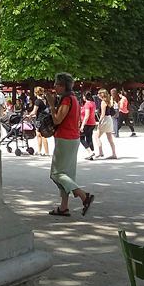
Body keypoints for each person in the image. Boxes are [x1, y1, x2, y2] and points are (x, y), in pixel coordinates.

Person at [45, 73, 94, 217]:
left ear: (63, 86)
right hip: (73, 138)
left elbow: (57, 120)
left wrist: (52, 104)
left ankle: (84, 196)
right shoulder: (74, 98)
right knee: (67, 174)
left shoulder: (66, 100)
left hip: (65, 139)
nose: (54, 86)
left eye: (57, 84)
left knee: (57, 173)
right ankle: (64, 207)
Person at [91, 88, 118, 160]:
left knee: (96, 136)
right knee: (110, 138)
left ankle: (100, 152)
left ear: (101, 94)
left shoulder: (103, 102)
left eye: (99, 94)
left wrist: (99, 122)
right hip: (109, 119)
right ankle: (114, 153)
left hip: (105, 119)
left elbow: (102, 114)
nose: (97, 95)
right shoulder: (109, 101)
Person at [30, 85, 51, 157]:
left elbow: (34, 111)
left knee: (41, 136)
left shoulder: (37, 101)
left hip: (40, 120)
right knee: (40, 135)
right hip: (45, 119)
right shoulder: (44, 100)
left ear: (35, 93)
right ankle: (42, 151)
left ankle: (44, 152)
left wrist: (28, 115)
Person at [79, 91, 97, 157]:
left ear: (85, 96)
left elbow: (87, 116)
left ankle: (90, 152)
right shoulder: (93, 103)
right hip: (92, 122)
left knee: (81, 138)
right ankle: (92, 152)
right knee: (89, 138)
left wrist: (82, 125)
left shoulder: (87, 104)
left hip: (87, 123)